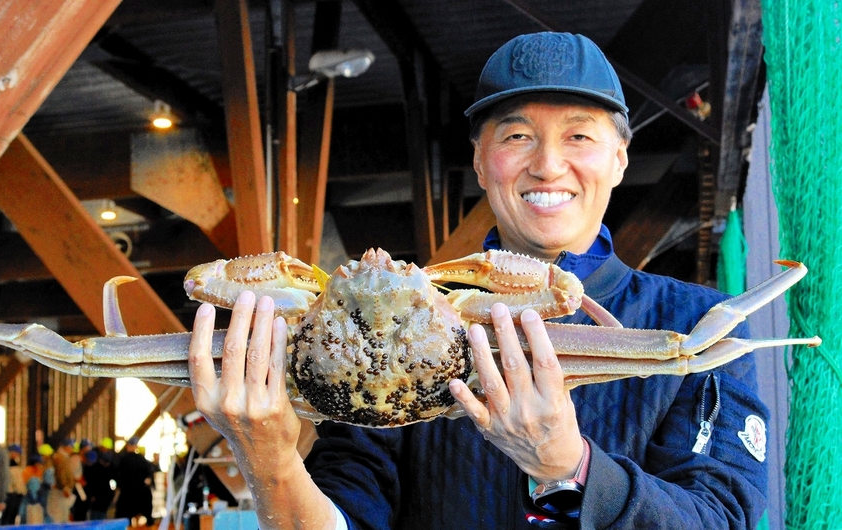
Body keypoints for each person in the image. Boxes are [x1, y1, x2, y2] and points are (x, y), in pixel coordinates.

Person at [186, 32, 769, 529]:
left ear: (619, 157)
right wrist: (269, 460)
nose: (546, 163)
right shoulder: (389, 324)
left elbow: (724, 514)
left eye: (579, 135)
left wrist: (573, 467)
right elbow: (347, 508)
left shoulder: (701, 331)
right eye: (516, 136)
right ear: (482, 159)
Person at [114, 436, 154, 527]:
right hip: (141, 493)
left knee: (123, 519)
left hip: (127, 493)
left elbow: (117, 474)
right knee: (147, 517)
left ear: (128, 446)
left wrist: (120, 486)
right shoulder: (142, 460)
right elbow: (148, 475)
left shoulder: (122, 459)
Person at [46, 439, 76, 522]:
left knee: (61, 515)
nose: (72, 449)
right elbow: (61, 473)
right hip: (60, 492)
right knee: (59, 516)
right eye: (71, 447)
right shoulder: (61, 458)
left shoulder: (62, 457)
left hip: (60, 491)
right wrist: (65, 487)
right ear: (66, 447)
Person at [1, 444, 27, 524]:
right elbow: (17, 482)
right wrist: (22, 491)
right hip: (11, 494)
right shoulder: (10, 465)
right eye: (17, 453)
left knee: (7, 518)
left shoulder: (4, 463)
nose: (17, 455)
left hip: (9, 494)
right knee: (9, 518)